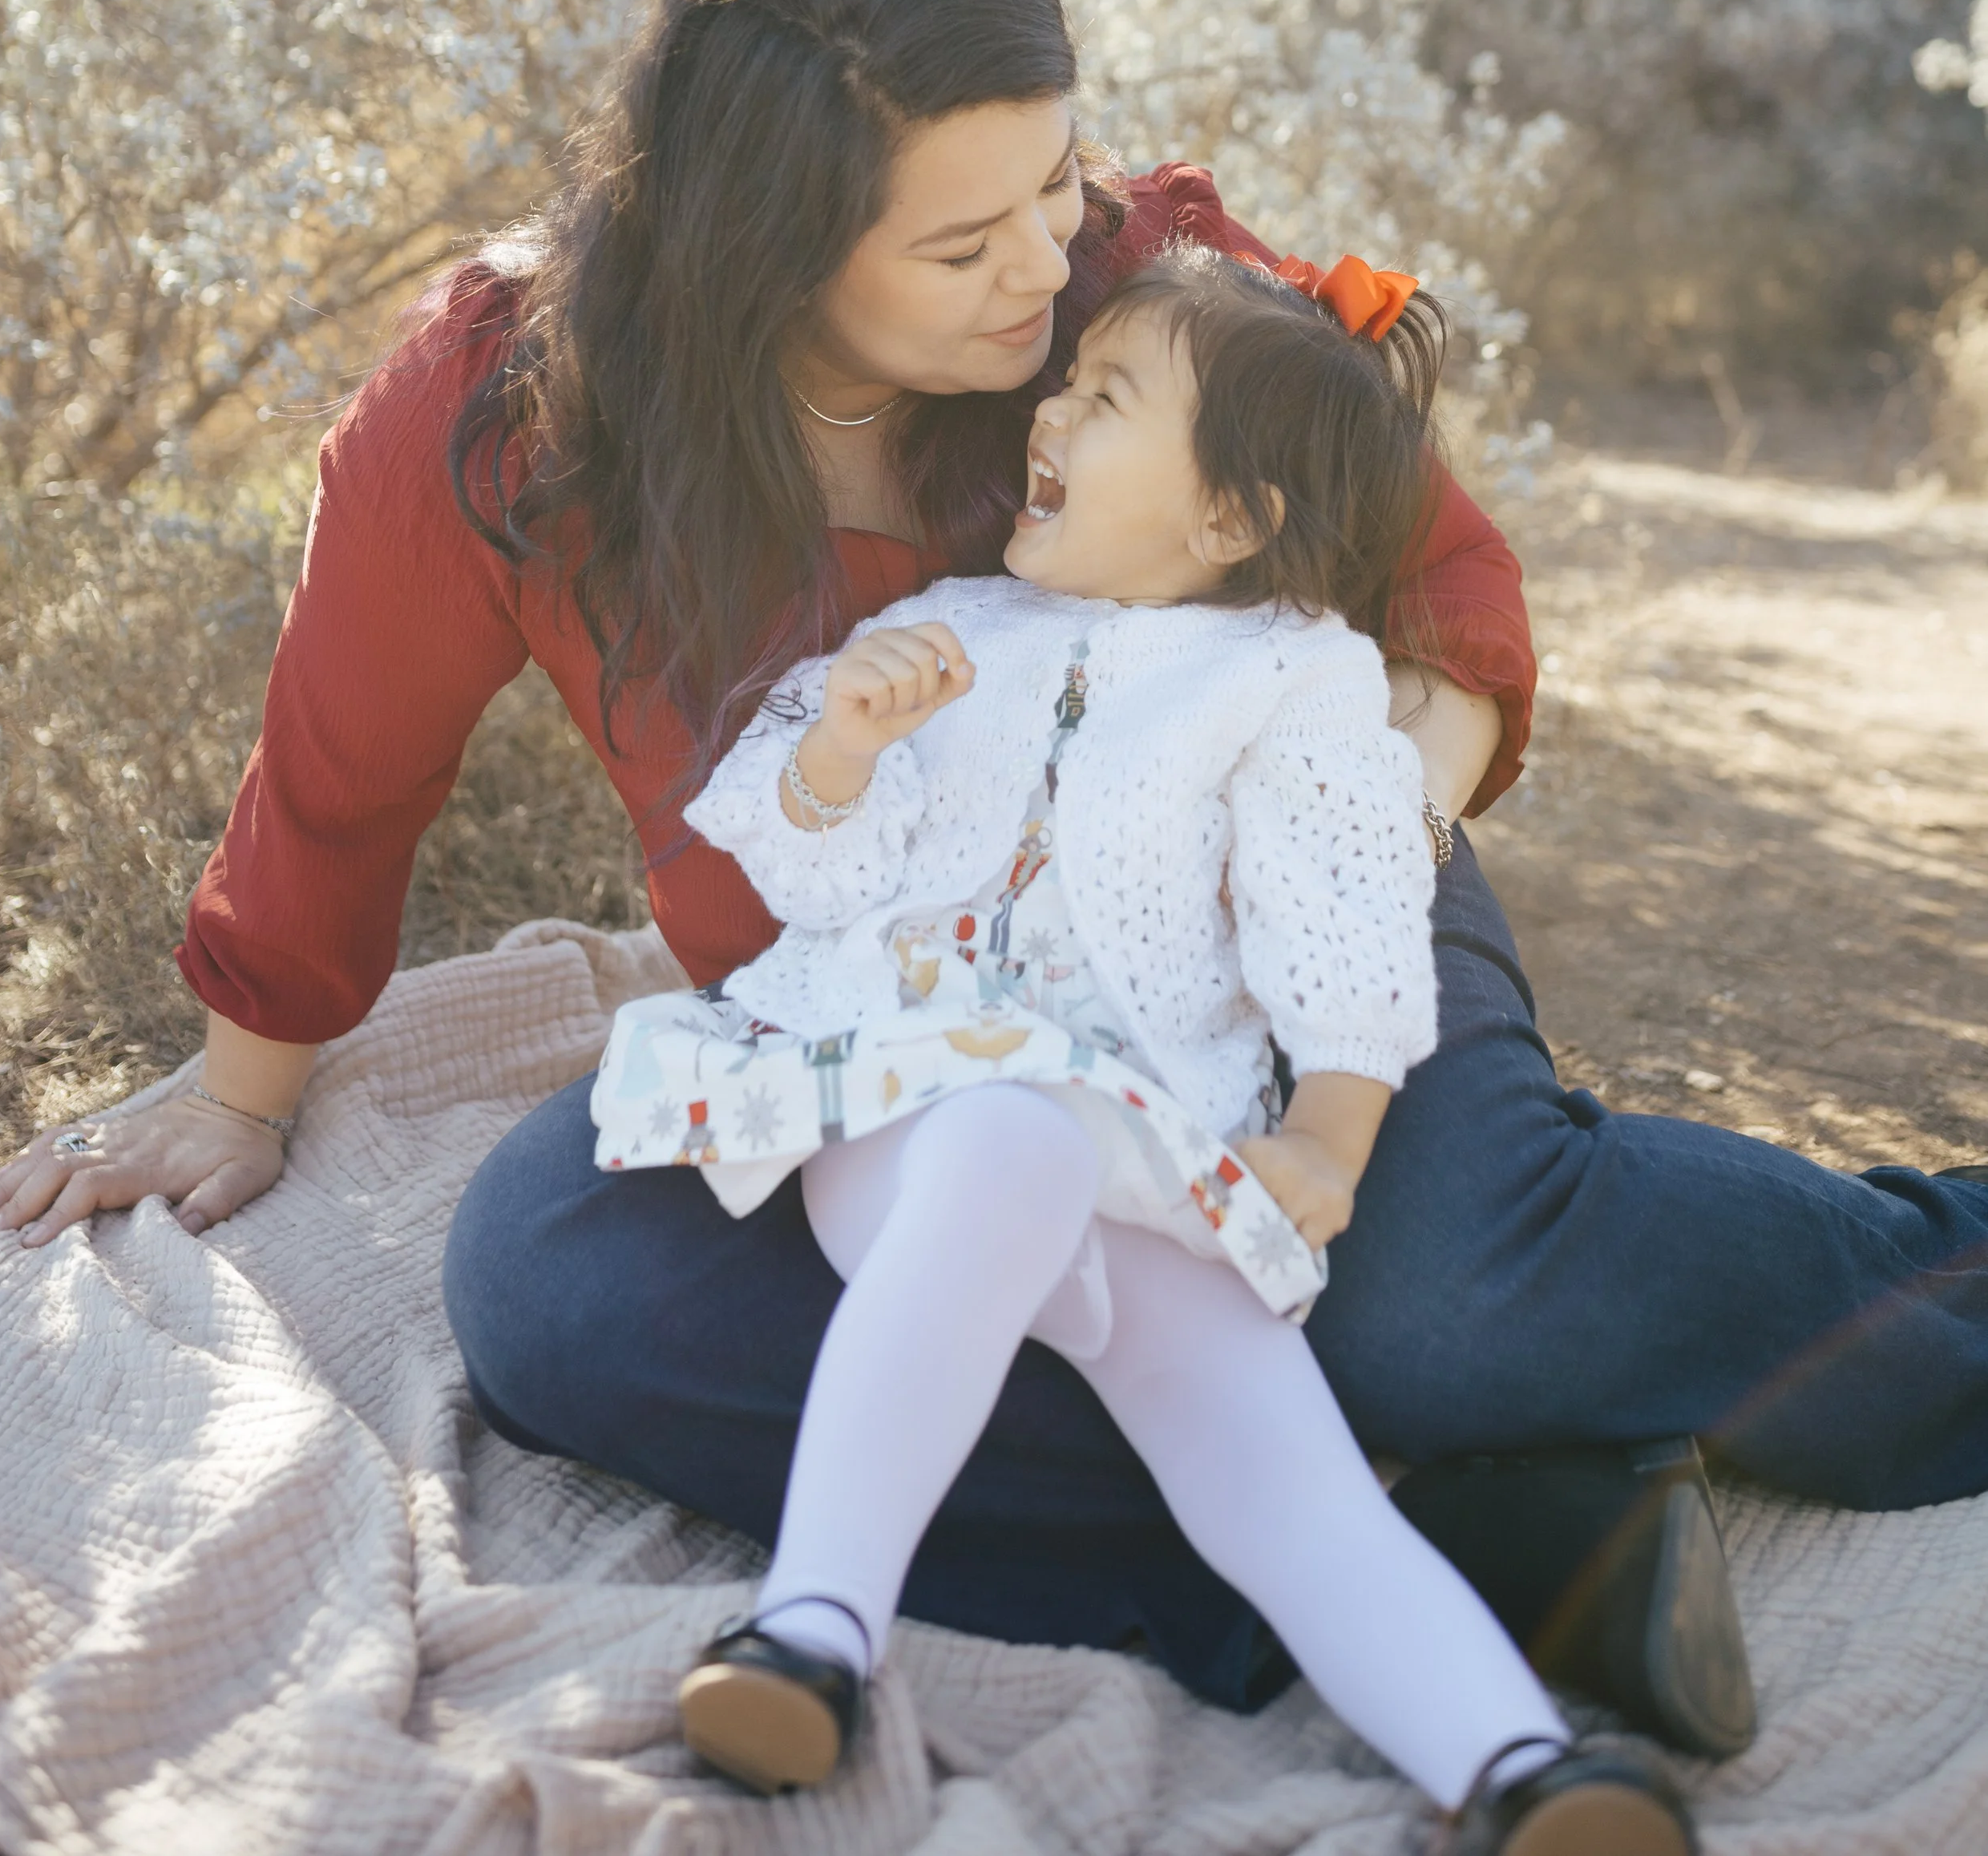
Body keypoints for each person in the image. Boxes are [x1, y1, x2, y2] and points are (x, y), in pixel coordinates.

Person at [0, 0, 1982, 1757]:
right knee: (553, 1282)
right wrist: (244, 1087)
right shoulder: (510, 411)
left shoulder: (1146, 296)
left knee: (1436, 1300)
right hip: (892, 1045)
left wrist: (1310, 882)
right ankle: (1450, 1542)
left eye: (1054, 181)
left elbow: (1440, 597)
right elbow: (345, 767)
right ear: (760, 252)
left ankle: (1890, 1293)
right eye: (965, 246)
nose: (1045, 263)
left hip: (1261, 928)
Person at [616, 240, 1693, 1850]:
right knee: (1005, 1143)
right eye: (1070, 378)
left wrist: (1326, 1136)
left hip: (1151, 1139)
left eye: (1105, 395)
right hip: (907, 1119)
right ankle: (813, 1630)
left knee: (1285, 1471)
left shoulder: (1295, 681)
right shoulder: (948, 628)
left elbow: (1339, 913)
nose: (1050, 408)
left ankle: (1520, 1767)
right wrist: (844, 741)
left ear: (1229, 519)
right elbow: (808, 877)